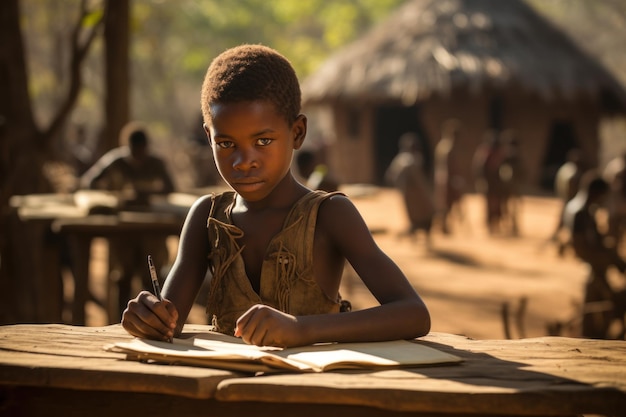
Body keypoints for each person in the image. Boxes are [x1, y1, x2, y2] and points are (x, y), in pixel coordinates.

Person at [121, 44, 430, 348]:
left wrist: (302, 330)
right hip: (222, 390)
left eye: (263, 140)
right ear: (208, 138)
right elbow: (169, 321)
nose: (244, 161)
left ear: (297, 133)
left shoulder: (330, 214)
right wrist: (150, 317)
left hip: (311, 389)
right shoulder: (206, 218)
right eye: (226, 144)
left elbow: (413, 314)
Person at [80, 122, 176, 320]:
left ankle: (155, 321)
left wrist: (147, 193)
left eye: (141, 152)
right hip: (123, 228)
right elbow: (89, 181)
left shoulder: (155, 163)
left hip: (150, 227)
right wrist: (113, 193)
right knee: (122, 278)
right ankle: (117, 321)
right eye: (135, 152)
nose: (138, 157)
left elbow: (170, 187)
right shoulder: (116, 161)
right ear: (128, 148)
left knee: (151, 279)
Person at [562, 170, 626, 339]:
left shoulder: (579, 208)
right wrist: (613, 259)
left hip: (595, 262)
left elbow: (596, 241)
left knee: (597, 301)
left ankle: (596, 332)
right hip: (594, 263)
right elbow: (586, 246)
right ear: (596, 193)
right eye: (602, 196)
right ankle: (602, 336)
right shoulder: (581, 213)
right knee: (612, 300)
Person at [385, 132, 435, 247]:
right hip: (416, 193)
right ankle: (419, 236)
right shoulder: (411, 160)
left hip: (408, 193)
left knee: (414, 215)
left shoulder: (400, 160)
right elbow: (419, 180)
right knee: (425, 213)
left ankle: (415, 235)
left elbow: (390, 176)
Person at [433, 119, 465, 235]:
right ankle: (443, 226)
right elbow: (448, 167)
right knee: (446, 205)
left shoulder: (442, 146)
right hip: (446, 180)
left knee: (445, 205)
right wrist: (452, 180)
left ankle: (444, 226)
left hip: (442, 179)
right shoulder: (447, 147)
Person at [473, 130, 507, 235]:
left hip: (497, 184)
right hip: (489, 183)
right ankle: (490, 225)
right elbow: (479, 169)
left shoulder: (499, 153)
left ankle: (496, 224)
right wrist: (482, 181)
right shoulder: (485, 153)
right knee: (490, 205)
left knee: (498, 205)